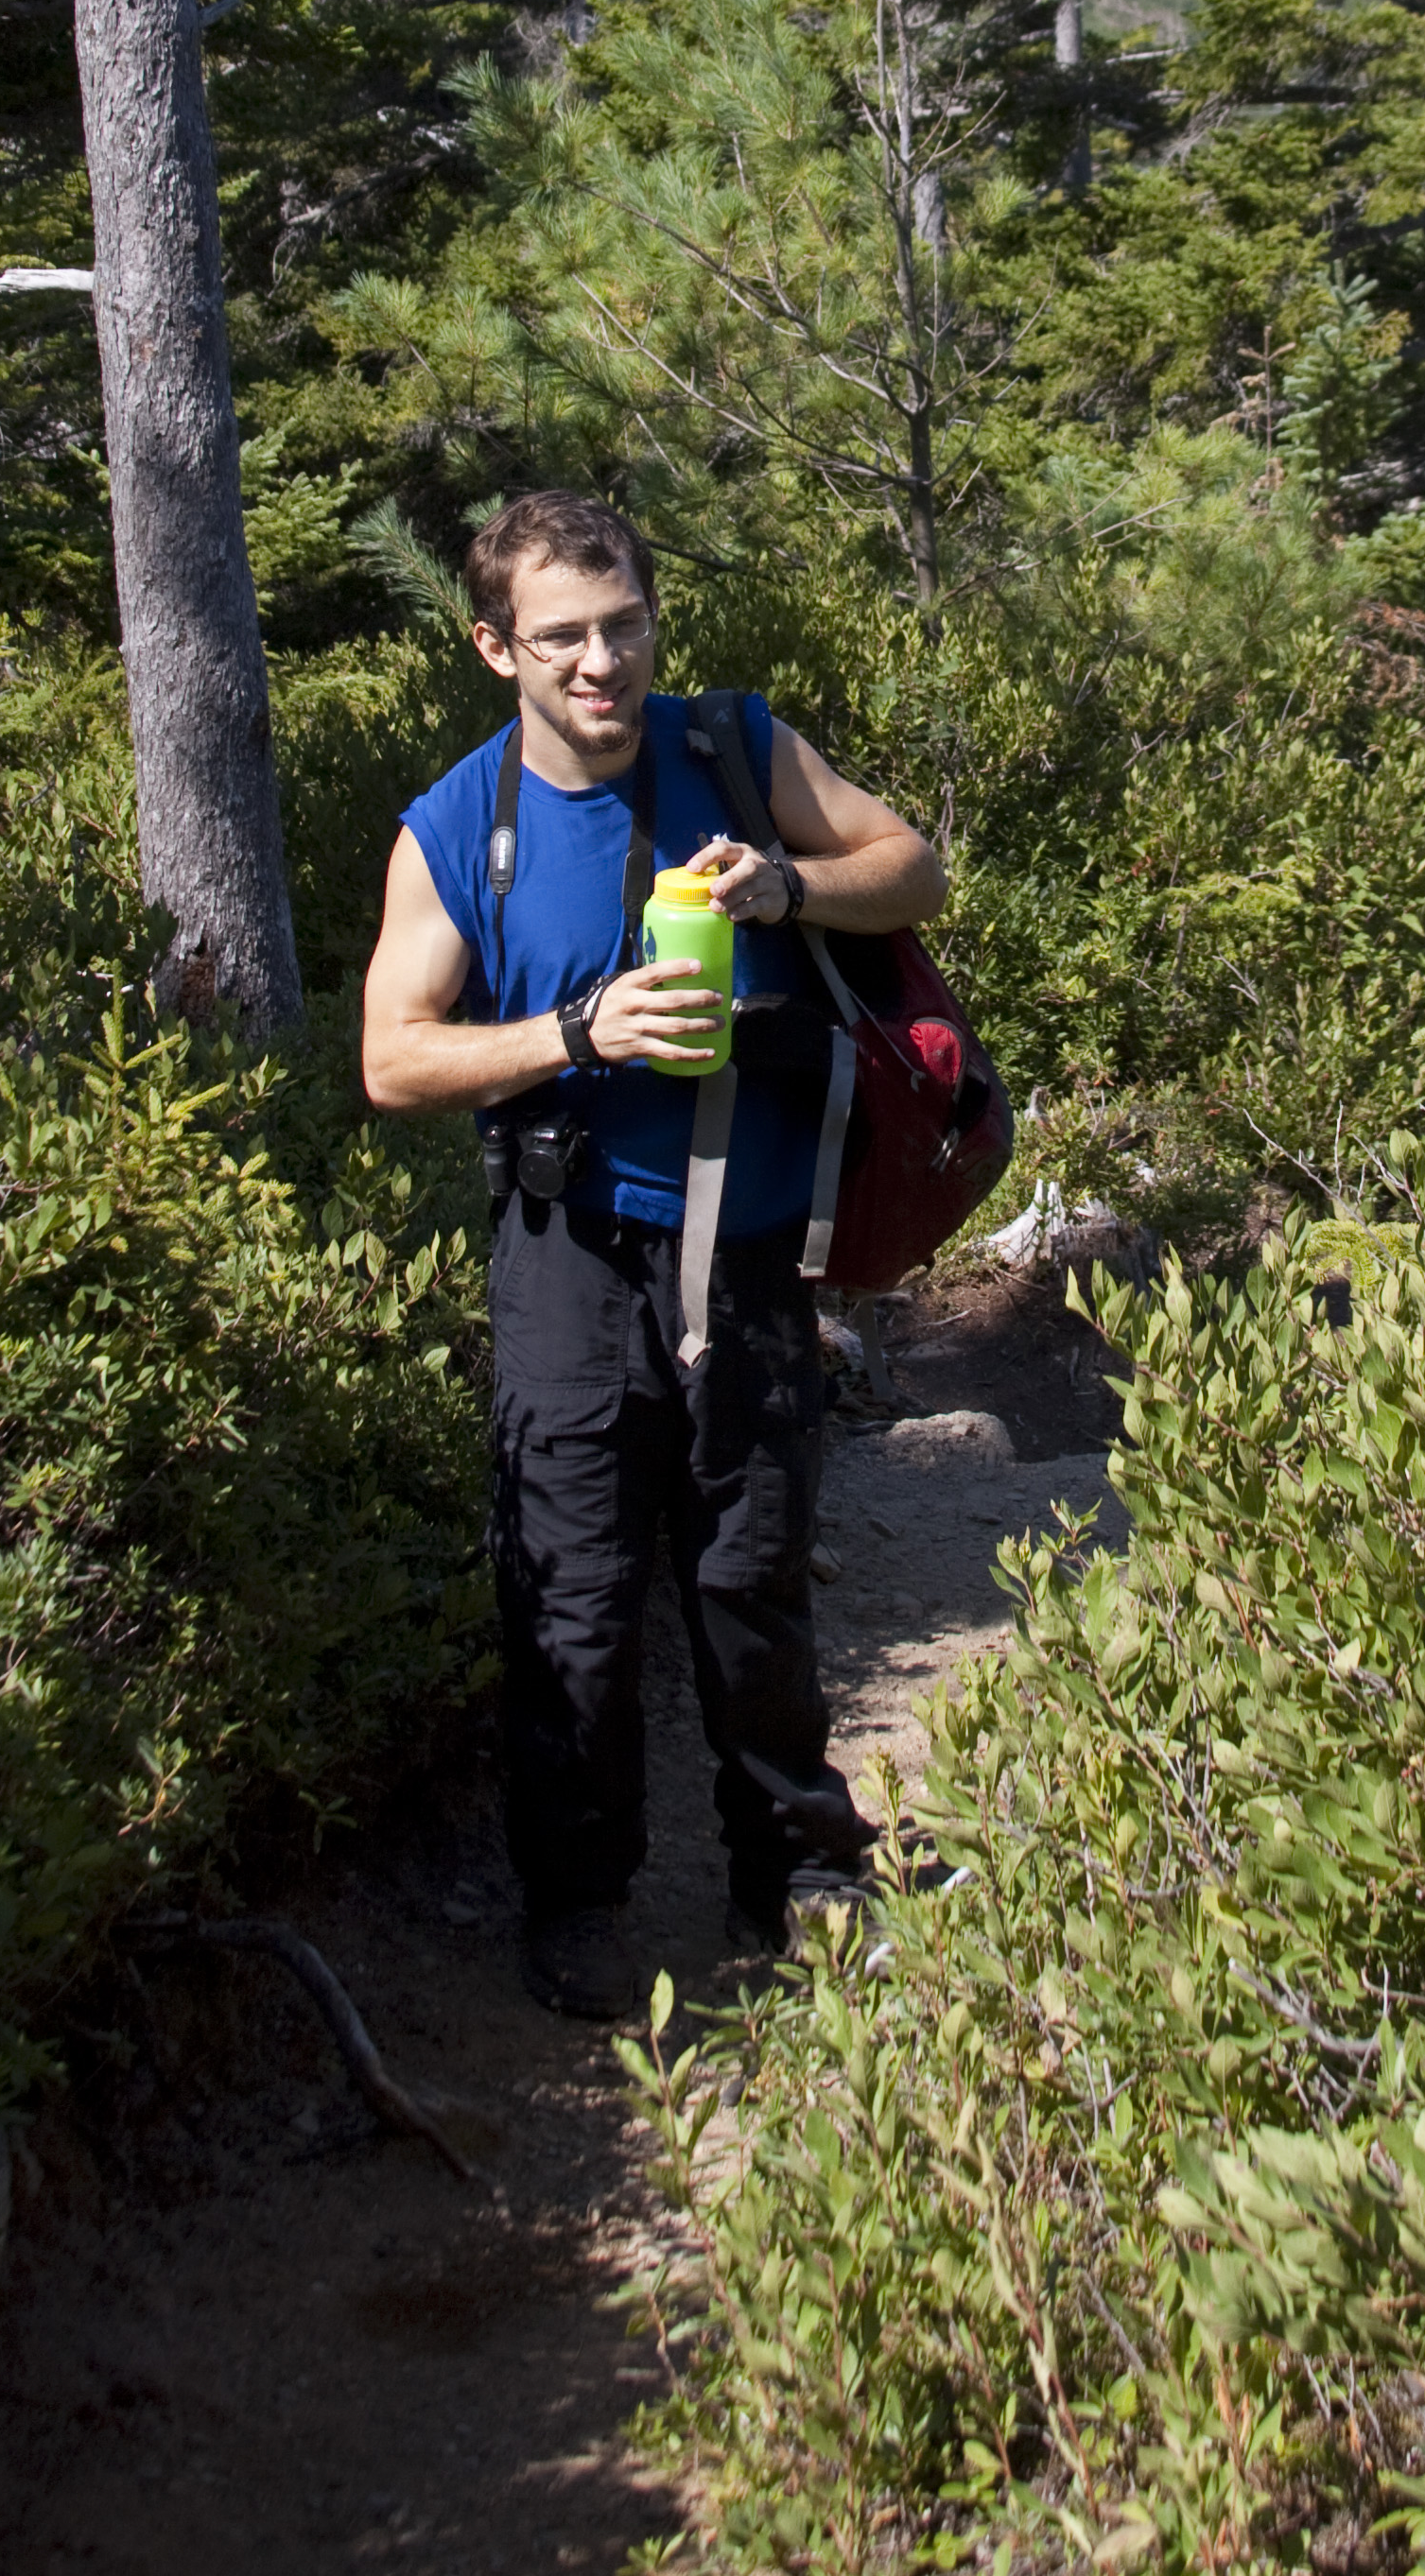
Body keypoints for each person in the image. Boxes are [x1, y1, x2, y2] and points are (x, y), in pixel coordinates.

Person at [361, 489, 948, 2020]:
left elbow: (913, 866)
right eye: (562, 636)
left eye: (622, 625)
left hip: (743, 1248)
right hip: (564, 1248)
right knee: (571, 1587)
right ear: (496, 647)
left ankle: (796, 1869)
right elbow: (391, 1056)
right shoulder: (459, 826)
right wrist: (575, 1032)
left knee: (752, 1572)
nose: (600, 662)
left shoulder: (733, 752)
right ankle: (579, 1898)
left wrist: (791, 884)